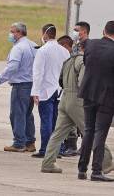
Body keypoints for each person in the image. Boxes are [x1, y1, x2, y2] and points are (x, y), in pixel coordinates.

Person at [41, 39, 113, 174]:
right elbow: (82, 81)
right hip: (77, 99)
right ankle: (107, 161)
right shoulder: (82, 61)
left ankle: (48, 162)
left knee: (58, 133)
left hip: (65, 97)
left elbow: (60, 80)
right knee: (90, 131)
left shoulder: (68, 60)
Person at [77, 20, 114, 182]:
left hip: (88, 93)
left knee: (88, 130)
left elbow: (87, 63)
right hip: (107, 97)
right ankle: (96, 170)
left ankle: (82, 169)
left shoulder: (90, 45)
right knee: (100, 133)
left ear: (104, 31)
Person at [0, 22, 37, 153]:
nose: (10, 34)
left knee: (17, 114)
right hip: (32, 84)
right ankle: (30, 142)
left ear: (19, 33)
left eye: (12, 32)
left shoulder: (18, 48)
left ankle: (19, 143)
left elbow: (12, 67)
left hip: (20, 86)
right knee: (27, 114)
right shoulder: (33, 45)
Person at [30, 24, 70, 158]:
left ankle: (45, 149)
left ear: (45, 34)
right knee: (57, 123)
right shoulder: (64, 51)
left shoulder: (43, 51)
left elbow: (38, 73)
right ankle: (58, 149)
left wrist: (35, 92)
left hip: (46, 91)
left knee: (46, 122)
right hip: (60, 91)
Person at [57, 35, 81, 157]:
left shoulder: (73, 59)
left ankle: (72, 146)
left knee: (75, 123)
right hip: (68, 93)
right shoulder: (72, 58)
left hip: (73, 94)